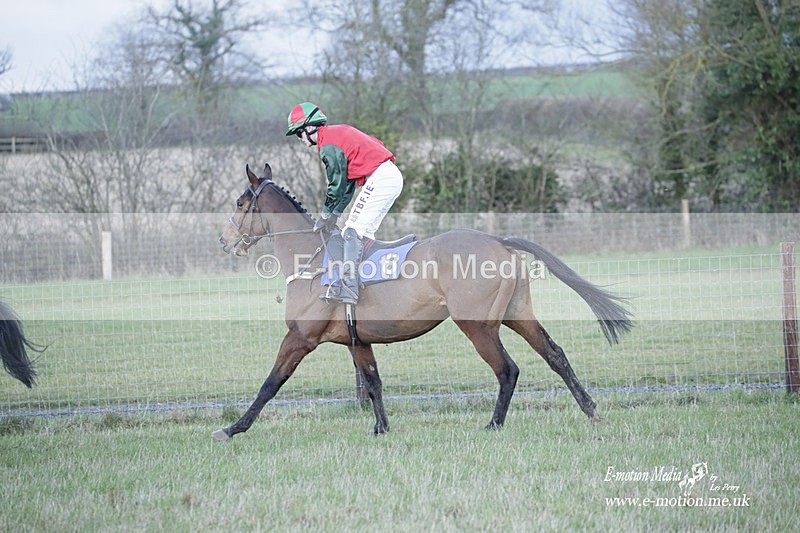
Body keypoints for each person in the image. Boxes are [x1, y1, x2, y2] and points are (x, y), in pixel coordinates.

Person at [286, 102, 404, 305]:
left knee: (352, 231)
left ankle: (349, 288)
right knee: (364, 234)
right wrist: (334, 215)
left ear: (309, 127)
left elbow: (336, 185)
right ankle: (371, 285)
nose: (299, 139)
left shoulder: (328, 145)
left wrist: (325, 215)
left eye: (298, 133)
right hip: (388, 177)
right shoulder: (334, 135)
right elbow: (347, 185)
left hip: (381, 179)